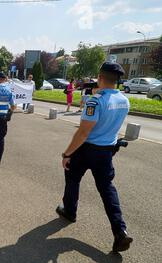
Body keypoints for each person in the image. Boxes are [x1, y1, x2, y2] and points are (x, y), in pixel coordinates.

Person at [56, 62, 133, 253]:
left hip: (86, 149)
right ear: (117, 80)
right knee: (107, 189)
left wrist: (67, 153)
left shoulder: (95, 100)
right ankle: (120, 231)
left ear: (100, 77)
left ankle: (70, 211)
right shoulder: (125, 100)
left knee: (72, 178)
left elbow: (83, 133)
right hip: (106, 151)